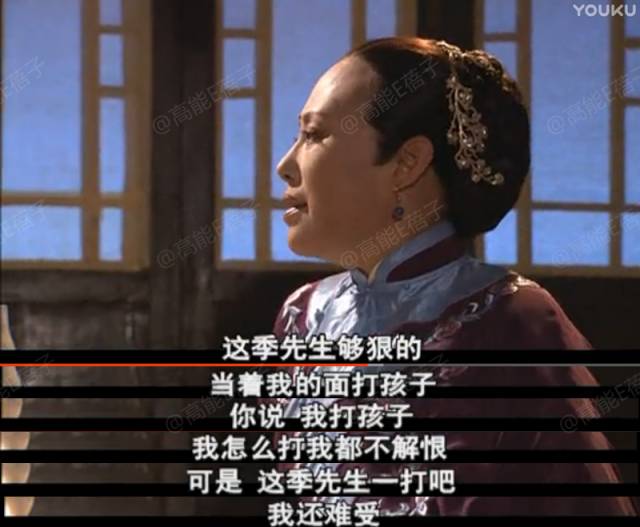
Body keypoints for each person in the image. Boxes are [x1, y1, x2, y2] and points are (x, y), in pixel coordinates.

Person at [270, 37, 638, 516]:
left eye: (314, 135)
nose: (286, 165)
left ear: (407, 163)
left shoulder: (511, 321)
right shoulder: (303, 316)